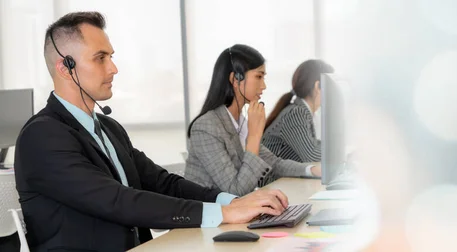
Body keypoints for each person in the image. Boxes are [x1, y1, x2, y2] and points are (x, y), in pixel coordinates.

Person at [14, 12, 289, 252]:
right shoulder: (43, 137)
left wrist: (234, 201)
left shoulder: (108, 127)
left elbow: (163, 182)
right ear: (66, 68)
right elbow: (118, 201)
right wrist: (223, 213)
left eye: (111, 57)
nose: (113, 68)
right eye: (100, 58)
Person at [184, 44, 321, 196]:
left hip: (237, 212)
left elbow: (274, 163)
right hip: (214, 217)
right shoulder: (206, 127)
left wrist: (312, 170)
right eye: (258, 76)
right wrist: (254, 136)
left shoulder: (239, 122)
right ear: (235, 79)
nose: (264, 86)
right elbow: (235, 191)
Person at [262, 59, 334, 162]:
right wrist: (341, 152)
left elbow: (313, 145)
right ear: (317, 86)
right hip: (275, 178)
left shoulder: (301, 111)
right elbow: (312, 155)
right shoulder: (296, 113)